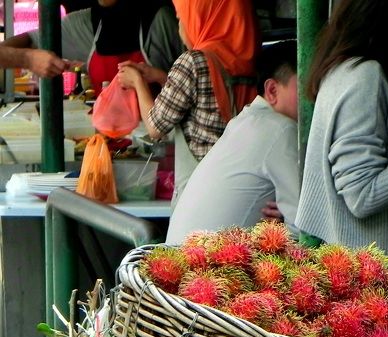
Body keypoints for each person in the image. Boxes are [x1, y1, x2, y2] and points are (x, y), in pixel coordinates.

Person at [296, 0, 388, 261]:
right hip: (378, 274)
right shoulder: (364, 76)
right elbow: (361, 195)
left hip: (358, 266)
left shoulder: (343, 69)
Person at [117, 0, 258, 203]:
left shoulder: (192, 61)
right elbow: (204, 98)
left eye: (181, 18)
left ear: (199, 18)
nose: (180, 28)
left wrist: (138, 83)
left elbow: (155, 127)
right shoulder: (246, 60)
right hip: (238, 188)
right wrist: (159, 76)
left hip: (201, 191)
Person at [165, 41, 299, 244]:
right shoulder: (280, 129)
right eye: (308, 87)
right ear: (272, 90)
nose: (316, 98)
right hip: (205, 271)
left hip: (180, 262)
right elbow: (303, 228)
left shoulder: (245, 123)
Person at [1, 0, 182, 90]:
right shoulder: (85, 23)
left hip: (166, 150)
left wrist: (160, 77)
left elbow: (199, 85)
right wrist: (27, 58)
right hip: (106, 146)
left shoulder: (163, 20)